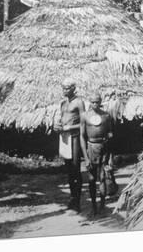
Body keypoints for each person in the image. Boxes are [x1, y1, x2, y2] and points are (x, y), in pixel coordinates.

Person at [80, 93, 114, 215]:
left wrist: (110, 156)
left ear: (100, 102)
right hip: (90, 148)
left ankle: (102, 204)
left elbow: (110, 132)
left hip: (103, 148)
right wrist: (85, 157)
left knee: (103, 177)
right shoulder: (84, 116)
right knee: (91, 179)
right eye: (92, 102)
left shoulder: (106, 116)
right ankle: (93, 205)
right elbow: (82, 136)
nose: (95, 104)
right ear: (90, 102)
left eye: (97, 102)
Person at [55, 78, 85, 212]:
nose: (65, 90)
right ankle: (73, 199)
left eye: (67, 88)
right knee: (69, 170)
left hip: (74, 137)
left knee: (75, 169)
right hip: (64, 138)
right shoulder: (63, 103)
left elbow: (84, 123)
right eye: (63, 88)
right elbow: (62, 120)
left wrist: (70, 127)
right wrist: (57, 126)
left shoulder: (79, 102)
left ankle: (77, 202)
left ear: (73, 88)